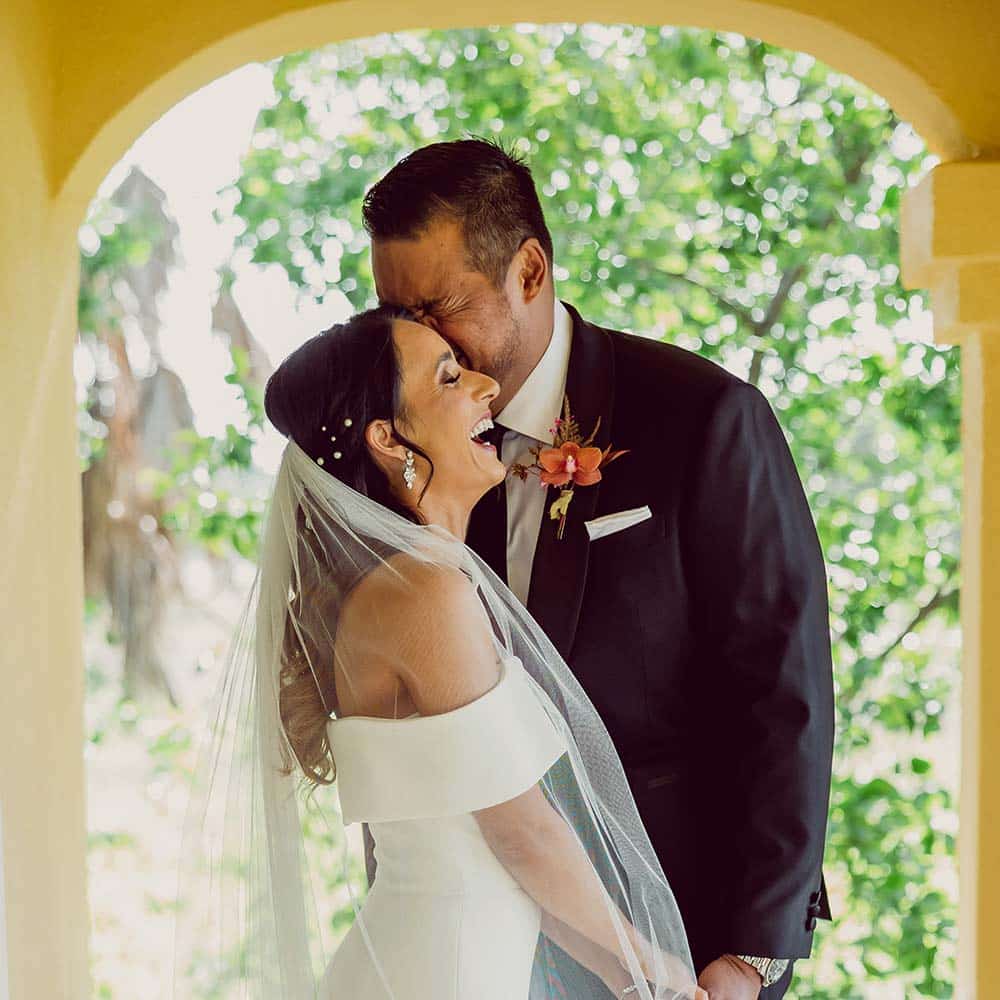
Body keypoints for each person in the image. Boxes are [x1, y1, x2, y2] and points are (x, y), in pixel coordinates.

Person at [360, 137, 835, 999]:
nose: (418, 338)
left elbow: (784, 692)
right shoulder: (392, 456)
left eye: (439, 306)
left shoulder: (705, 419)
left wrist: (753, 958)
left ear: (530, 271)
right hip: (470, 944)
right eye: (395, 310)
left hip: (674, 940)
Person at [171, 305, 708, 1000]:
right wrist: (654, 965)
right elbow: (524, 836)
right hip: (442, 971)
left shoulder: (417, 581)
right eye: (450, 378)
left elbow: (504, 851)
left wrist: (630, 979)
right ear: (390, 440)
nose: (486, 386)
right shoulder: (422, 594)